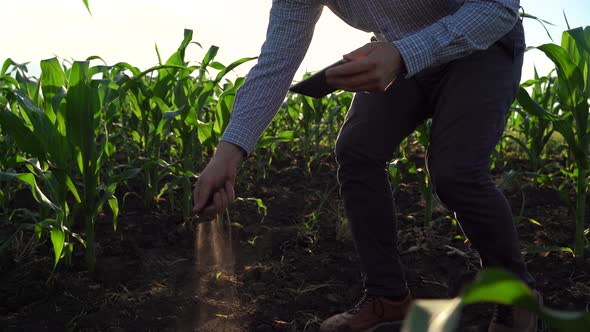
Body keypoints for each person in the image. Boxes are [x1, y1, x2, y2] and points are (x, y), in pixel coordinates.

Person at [192, 1, 542, 331]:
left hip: (481, 45)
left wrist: (404, 55)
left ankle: (517, 295)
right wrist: (227, 155)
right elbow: (276, 63)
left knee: (456, 172)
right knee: (357, 150)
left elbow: (498, 7)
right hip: (398, 51)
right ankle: (387, 296)